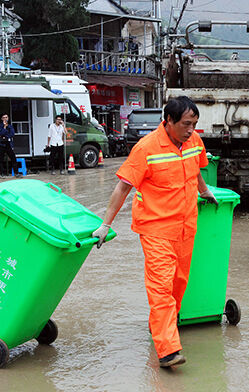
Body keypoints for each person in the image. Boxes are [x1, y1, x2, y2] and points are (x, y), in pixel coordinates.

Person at [91, 96, 217, 368]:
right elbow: (123, 187)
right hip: (156, 228)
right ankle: (168, 350)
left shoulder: (193, 141)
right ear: (168, 121)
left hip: (185, 226)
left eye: (194, 124)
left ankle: (160, 327)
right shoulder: (146, 148)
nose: (191, 129)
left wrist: (205, 192)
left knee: (178, 284)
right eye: (186, 123)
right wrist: (106, 224)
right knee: (161, 288)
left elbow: (195, 170)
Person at [0, 114, 20, 178]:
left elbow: (12, 134)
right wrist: (4, 128)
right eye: (4, 117)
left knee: (13, 158)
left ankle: (16, 173)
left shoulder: (10, 126)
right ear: (1, 119)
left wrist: (4, 135)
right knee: (1, 159)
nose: (5, 119)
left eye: (6, 117)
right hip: (0, 144)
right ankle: (2, 174)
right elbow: (0, 133)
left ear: (8, 118)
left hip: (8, 144)